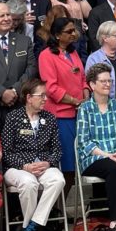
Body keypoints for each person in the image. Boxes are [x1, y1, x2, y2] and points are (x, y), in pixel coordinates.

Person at [0, 78, 66, 231]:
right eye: (41, 95)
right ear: (29, 98)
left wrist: (48, 162)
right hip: (18, 168)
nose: (45, 99)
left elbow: (57, 150)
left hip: (43, 166)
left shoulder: (49, 118)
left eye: (46, 95)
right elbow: (6, 152)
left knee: (58, 180)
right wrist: (25, 166)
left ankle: (29, 230)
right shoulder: (13, 117)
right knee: (29, 183)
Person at [74, 64, 116, 231]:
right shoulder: (85, 109)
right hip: (95, 157)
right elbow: (84, 141)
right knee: (113, 168)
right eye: (103, 81)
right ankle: (115, 222)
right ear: (92, 85)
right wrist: (106, 155)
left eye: (109, 81)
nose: (108, 84)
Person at [37, 16, 85, 173]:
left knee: (79, 161)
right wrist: (74, 101)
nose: (74, 34)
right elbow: (51, 88)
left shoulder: (73, 52)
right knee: (68, 162)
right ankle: (63, 190)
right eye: (69, 31)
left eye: (74, 30)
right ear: (57, 35)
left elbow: (83, 78)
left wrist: (85, 97)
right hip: (61, 116)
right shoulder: (46, 55)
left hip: (79, 114)